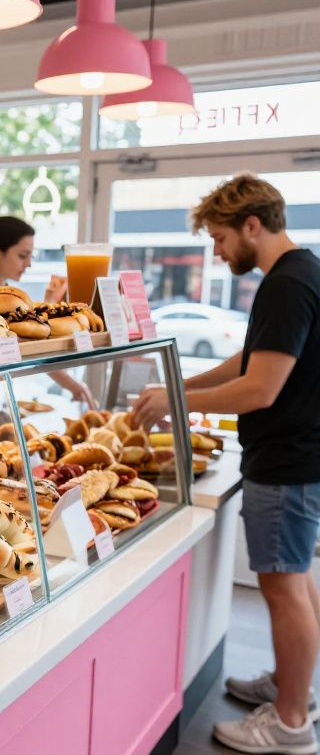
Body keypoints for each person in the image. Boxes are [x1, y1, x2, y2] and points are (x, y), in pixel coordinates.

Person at [133, 175, 320, 755]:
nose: (216, 251)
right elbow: (254, 356)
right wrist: (179, 383)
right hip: (299, 453)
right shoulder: (300, 272)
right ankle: (293, 686)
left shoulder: (288, 284)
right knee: (297, 578)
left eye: (218, 238)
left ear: (252, 225)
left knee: (282, 585)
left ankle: (289, 722)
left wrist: (177, 402)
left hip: (288, 457)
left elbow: (261, 388)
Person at [0, 216, 95, 408]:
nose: (28, 264)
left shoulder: (6, 294)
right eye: (22, 255)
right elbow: (20, 344)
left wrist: (48, 305)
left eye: (30, 256)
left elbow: (27, 347)